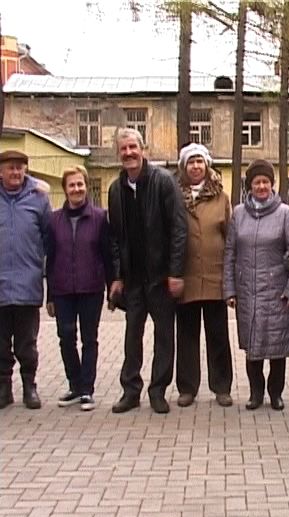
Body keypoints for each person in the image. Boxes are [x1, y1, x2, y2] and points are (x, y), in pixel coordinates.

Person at [107, 128, 188, 414]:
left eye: (133, 147)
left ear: (144, 150)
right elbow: (114, 237)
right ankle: (131, 390)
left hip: (161, 276)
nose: (128, 153)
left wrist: (176, 272)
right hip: (132, 279)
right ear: (119, 154)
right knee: (132, 336)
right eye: (123, 149)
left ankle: (158, 391)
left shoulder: (163, 182)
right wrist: (116, 277)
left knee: (164, 335)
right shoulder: (116, 189)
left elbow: (179, 229)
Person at [223, 159, 289, 411]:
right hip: (247, 290)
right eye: (257, 182)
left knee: (277, 345)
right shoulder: (238, 214)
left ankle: (275, 393)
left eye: (266, 181)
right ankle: (255, 393)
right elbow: (230, 253)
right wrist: (230, 290)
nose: (262, 186)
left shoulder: (286, 214)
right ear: (250, 186)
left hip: (277, 291)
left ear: (272, 184)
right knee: (252, 345)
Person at [46, 165, 115, 411]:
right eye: (71, 185)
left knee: (89, 339)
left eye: (80, 184)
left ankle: (87, 389)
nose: (76, 189)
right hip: (63, 289)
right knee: (65, 337)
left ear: (86, 187)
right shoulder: (54, 221)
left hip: (91, 288)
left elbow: (107, 256)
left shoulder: (99, 218)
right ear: (65, 189)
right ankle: (74, 384)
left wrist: (110, 290)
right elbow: (50, 260)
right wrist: (50, 296)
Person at [174, 143, 233, 408]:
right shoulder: (174, 196)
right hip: (185, 277)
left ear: (207, 165)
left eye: (200, 161)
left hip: (214, 276)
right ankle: (187, 388)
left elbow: (230, 238)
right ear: (183, 168)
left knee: (218, 334)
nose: (196, 167)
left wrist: (230, 279)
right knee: (186, 334)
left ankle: (222, 387)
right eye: (190, 162)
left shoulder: (221, 197)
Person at [0, 149, 51, 410]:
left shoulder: (38, 199)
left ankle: (29, 386)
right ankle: (4, 388)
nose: (16, 172)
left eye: (20, 168)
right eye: (10, 168)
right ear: (1, 171)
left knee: (27, 344)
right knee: (0, 344)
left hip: (28, 283)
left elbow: (49, 239)